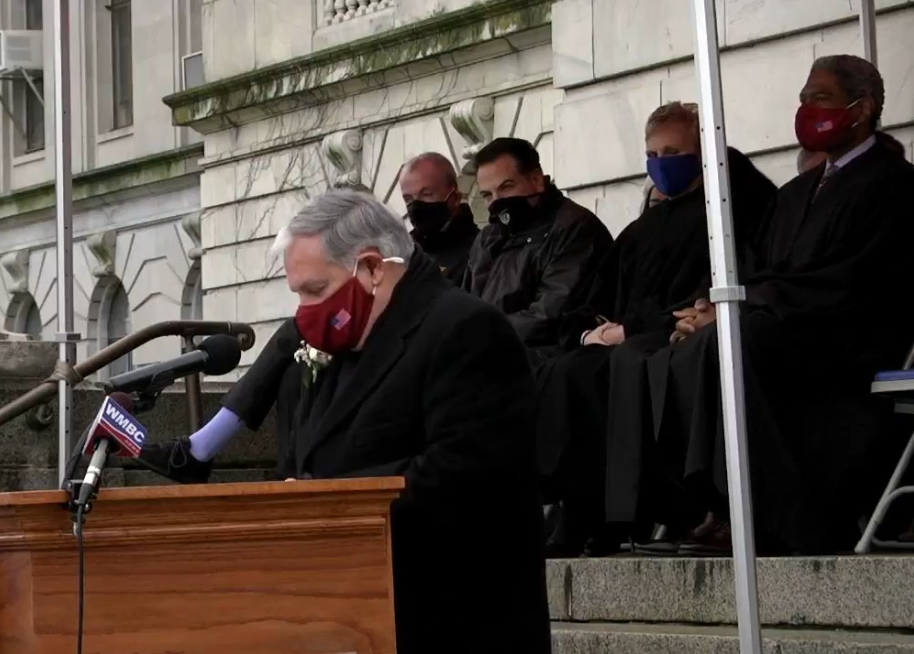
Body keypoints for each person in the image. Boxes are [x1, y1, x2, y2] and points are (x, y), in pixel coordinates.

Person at [608, 54, 914, 556]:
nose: (807, 108)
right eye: (804, 98)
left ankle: (764, 515)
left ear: (862, 109)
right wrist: (713, 307)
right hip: (783, 321)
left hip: (846, 335)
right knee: (680, 344)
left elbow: (850, 278)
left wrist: (745, 304)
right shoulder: (796, 193)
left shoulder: (895, 184)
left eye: (822, 97)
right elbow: (756, 266)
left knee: (734, 339)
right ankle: (701, 506)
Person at [273, 189, 550, 654]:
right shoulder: (342, 345)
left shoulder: (466, 331)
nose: (304, 311)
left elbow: (462, 478)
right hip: (358, 618)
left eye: (315, 290)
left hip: (452, 622)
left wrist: (323, 506)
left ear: (372, 268)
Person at [535, 102, 777, 557]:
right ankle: (581, 506)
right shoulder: (645, 227)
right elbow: (596, 294)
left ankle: (631, 513)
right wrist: (590, 331)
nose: (661, 164)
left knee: (601, 373)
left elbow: (703, 295)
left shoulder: (734, 211)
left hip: (668, 334)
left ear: (703, 152)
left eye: (673, 153)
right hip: (619, 338)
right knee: (562, 370)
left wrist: (632, 330)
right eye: (652, 155)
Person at [464, 137, 613, 359]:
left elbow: (552, 315)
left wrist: (481, 335)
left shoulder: (574, 228)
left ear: (536, 180)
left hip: (544, 362)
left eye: (506, 187)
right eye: (487, 195)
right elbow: (465, 304)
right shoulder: (489, 237)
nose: (496, 201)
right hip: (488, 357)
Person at [400, 152, 480, 284]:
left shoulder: (480, 251)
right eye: (408, 199)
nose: (415, 205)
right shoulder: (403, 252)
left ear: (454, 198)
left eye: (426, 194)